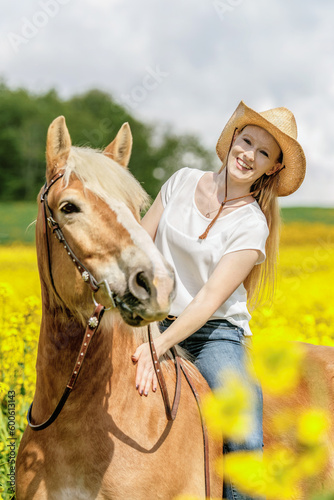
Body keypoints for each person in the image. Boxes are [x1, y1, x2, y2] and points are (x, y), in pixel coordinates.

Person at [131, 101, 306, 499]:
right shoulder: (181, 180)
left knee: (243, 430)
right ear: (232, 141)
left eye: (264, 153)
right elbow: (141, 242)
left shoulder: (251, 224)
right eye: (247, 142)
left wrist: (157, 346)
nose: (249, 155)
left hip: (212, 334)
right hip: (149, 318)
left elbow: (209, 298)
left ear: (273, 169)